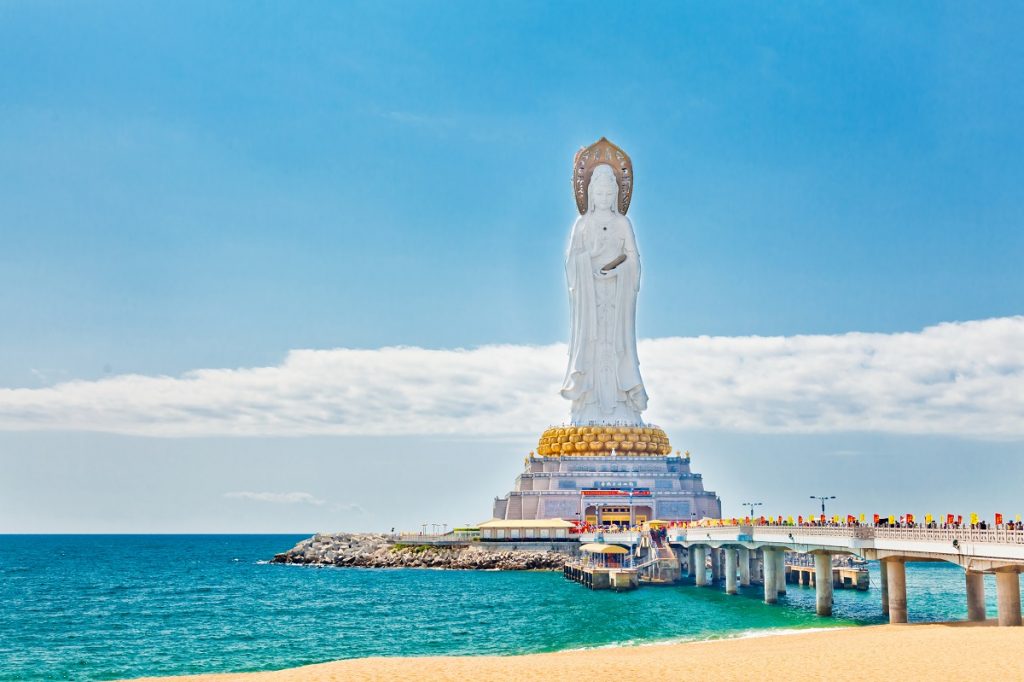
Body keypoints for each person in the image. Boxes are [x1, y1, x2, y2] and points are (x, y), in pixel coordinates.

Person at [561, 164, 648, 424]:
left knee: (617, 345)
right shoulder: (583, 224)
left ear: (615, 195)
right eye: (599, 193)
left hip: (617, 297)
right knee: (592, 345)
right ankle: (588, 403)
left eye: (609, 194)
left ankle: (623, 402)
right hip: (590, 298)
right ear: (590, 193)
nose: (604, 198)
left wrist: (619, 272)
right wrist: (588, 257)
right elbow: (570, 262)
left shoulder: (622, 223)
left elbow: (634, 260)